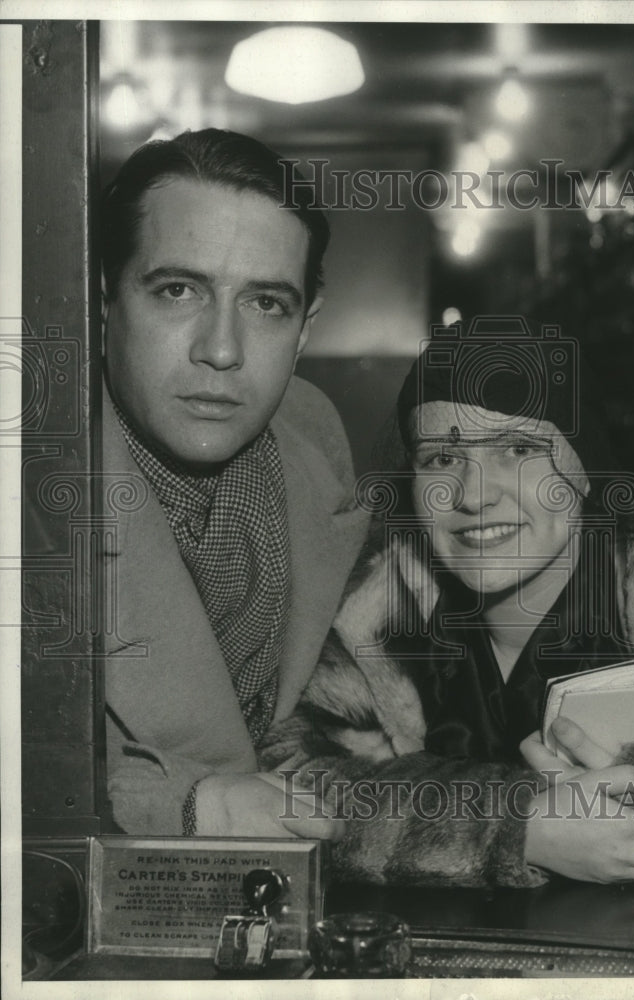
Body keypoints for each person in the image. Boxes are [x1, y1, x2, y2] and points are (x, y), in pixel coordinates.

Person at [257, 323, 634, 886]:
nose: (474, 495)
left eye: (520, 449)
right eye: (441, 459)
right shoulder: (371, 620)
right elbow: (286, 791)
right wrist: (519, 822)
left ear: (583, 469)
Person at [100, 129, 368, 837]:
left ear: (305, 326)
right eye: (178, 290)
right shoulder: (30, 483)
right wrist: (188, 805)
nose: (220, 350)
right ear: (102, 299)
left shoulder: (317, 448)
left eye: (265, 304)